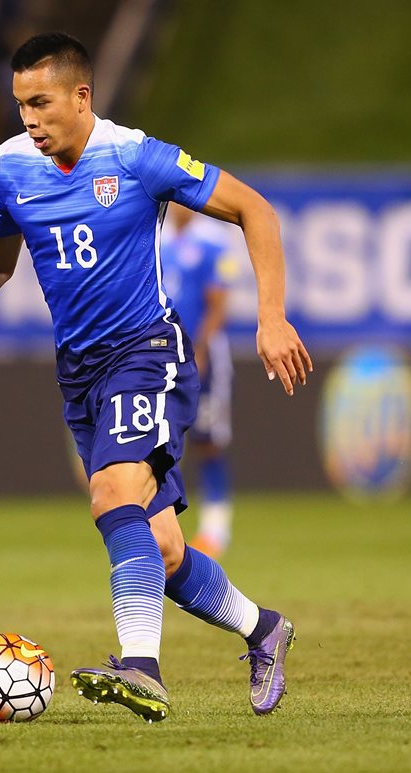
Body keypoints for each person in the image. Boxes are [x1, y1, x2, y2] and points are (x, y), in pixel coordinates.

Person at [0, 33, 312, 722]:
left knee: (111, 491)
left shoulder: (136, 156)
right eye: (21, 104)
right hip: (81, 373)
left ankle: (141, 668)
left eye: (42, 102)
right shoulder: (10, 169)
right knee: (166, 549)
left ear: (82, 97)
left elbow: (254, 210)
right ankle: (263, 629)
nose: (30, 119)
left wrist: (271, 317)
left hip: (147, 352)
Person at [161, 203, 236, 559]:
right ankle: (165, 529)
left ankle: (215, 528)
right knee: (161, 442)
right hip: (161, 354)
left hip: (202, 354)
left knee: (208, 439)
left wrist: (201, 350)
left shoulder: (213, 240)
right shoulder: (158, 238)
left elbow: (218, 304)